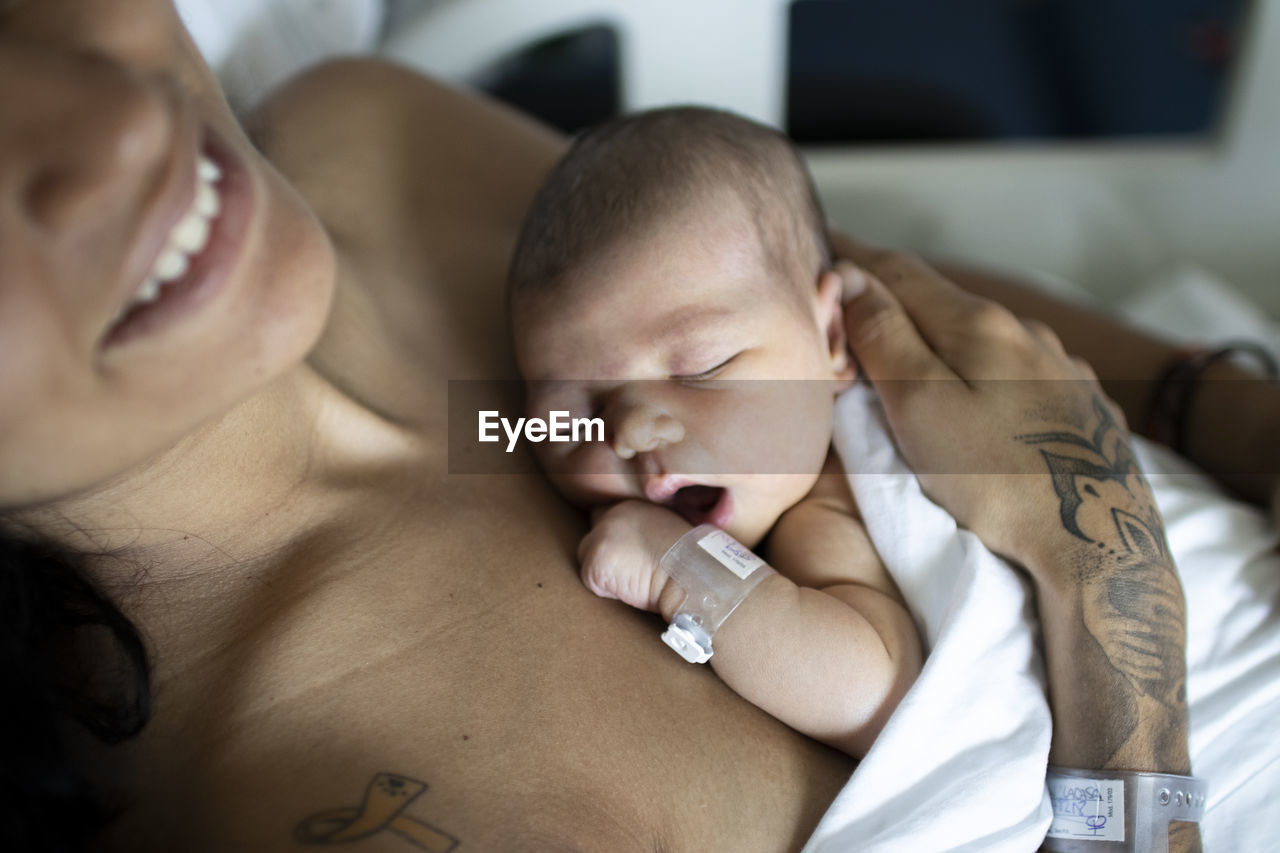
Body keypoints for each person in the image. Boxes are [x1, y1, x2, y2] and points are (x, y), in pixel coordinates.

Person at [4, 0, 1265, 850]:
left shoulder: (370, 144)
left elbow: (861, 291)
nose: (121, 124)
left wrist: (1198, 419)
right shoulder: (360, 799)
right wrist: (1101, 568)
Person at [506, 106, 921, 758]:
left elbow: (875, 695)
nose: (634, 430)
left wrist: (683, 571)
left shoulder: (832, 501)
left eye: (703, 366)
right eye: (576, 410)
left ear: (832, 337)